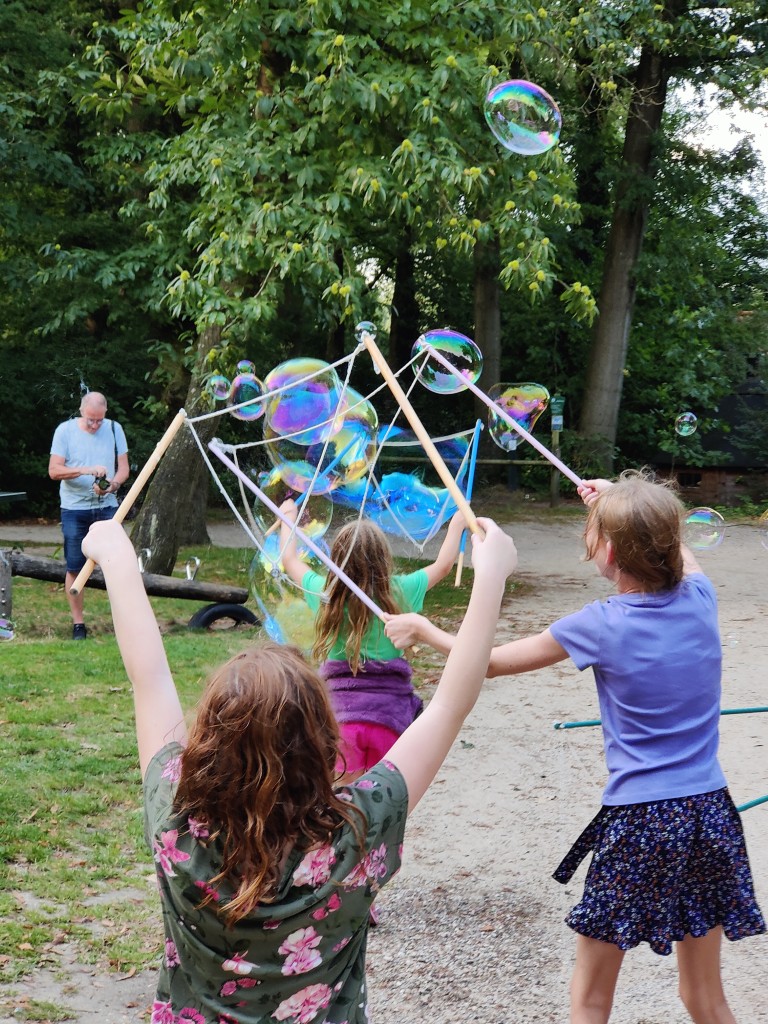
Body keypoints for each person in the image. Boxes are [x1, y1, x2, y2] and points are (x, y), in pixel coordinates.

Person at [81, 513, 517, 1023]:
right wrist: (490, 579)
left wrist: (117, 560)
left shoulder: (176, 820)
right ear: (326, 741)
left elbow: (149, 678)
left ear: (206, 743)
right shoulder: (358, 827)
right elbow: (449, 705)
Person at [384, 471, 766, 1024]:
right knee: (704, 997)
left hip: (641, 824)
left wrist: (425, 631)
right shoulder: (701, 598)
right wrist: (623, 499)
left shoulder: (600, 624)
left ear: (608, 551)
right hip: (710, 815)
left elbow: (485, 663)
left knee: (590, 1001)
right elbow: (675, 545)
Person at [279, 502, 466, 781]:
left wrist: (288, 519)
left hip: (341, 722)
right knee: (382, 806)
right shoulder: (401, 590)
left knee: (343, 805)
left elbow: (290, 561)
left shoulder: (325, 595)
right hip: (389, 722)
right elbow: (443, 565)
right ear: (384, 558)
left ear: (336, 559)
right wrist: (458, 523)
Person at [48, 392, 129, 639]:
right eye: (91, 420)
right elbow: (54, 471)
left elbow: (123, 469)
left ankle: (123, 622)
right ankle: (78, 625)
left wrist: (111, 485)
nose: (95, 425)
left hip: (107, 507)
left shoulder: (115, 429)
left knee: (117, 565)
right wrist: (86, 470)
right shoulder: (64, 431)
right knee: (74, 566)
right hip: (74, 509)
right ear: (81, 411)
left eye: (99, 420)